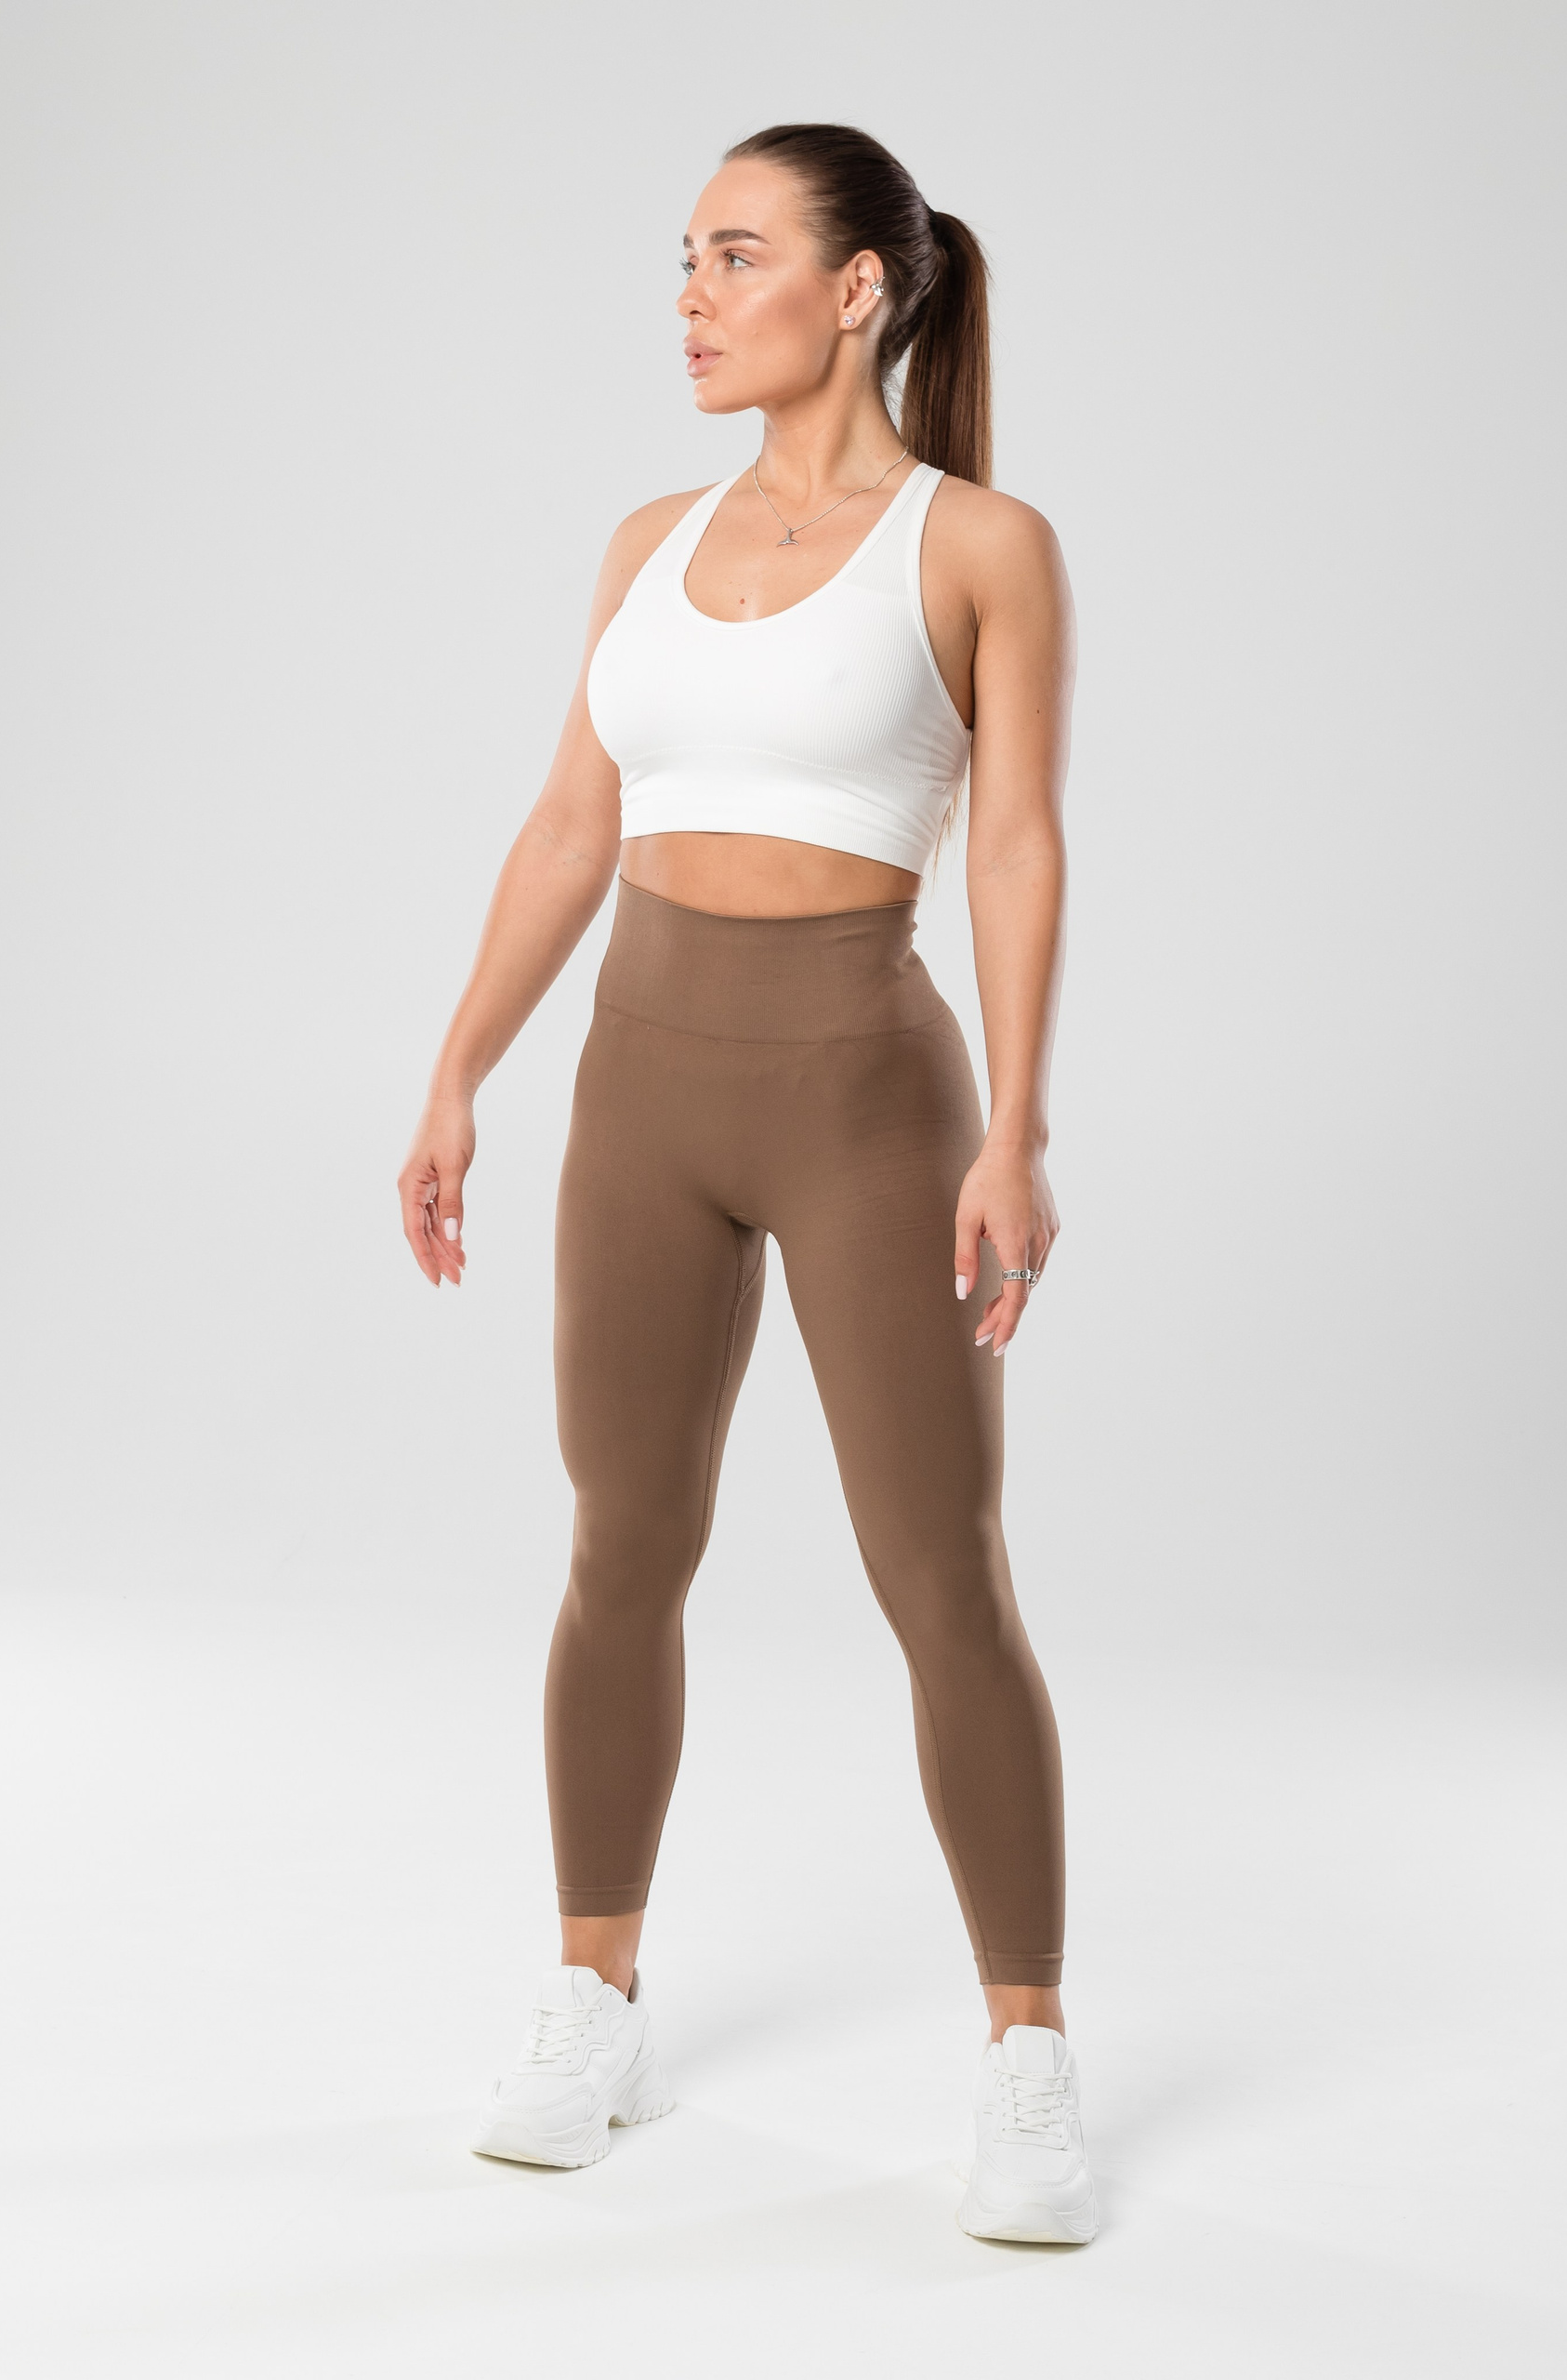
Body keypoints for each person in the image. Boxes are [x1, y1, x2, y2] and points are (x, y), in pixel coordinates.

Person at [398, 122, 1091, 2245]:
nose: (690, 297)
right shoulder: (649, 537)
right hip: (641, 1095)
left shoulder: (981, 544)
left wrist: (1017, 1126)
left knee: (940, 1571)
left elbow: (1015, 842)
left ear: (860, 287)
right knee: (621, 1543)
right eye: (683, 259)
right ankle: (591, 1997)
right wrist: (457, 1071)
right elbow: (568, 826)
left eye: (734, 255)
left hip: (868, 1102)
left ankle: (1028, 2051)